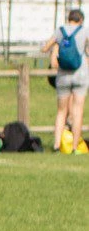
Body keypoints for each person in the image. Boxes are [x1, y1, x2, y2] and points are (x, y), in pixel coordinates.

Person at [46, 8, 86, 153]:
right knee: (77, 111)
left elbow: (45, 48)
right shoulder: (84, 31)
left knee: (61, 111)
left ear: (68, 19)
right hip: (80, 75)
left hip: (63, 76)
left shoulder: (60, 31)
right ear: (81, 20)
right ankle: (74, 147)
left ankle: (57, 145)